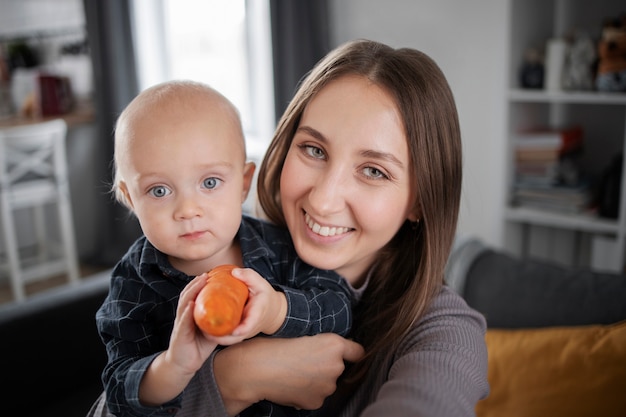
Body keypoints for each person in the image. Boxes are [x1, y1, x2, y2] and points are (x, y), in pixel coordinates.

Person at [182, 39, 490, 417]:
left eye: (374, 171)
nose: (324, 200)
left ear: (420, 202)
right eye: (314, 150)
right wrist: (237, 378)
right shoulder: (212, 262)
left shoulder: (444, 335)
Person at [92, 80, 355, 417]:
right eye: (159, 191)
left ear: (244, 183)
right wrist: (174, 366)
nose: (188, 209)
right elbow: (118, 392)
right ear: (130, 198)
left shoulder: (278, 246)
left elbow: (339, 308)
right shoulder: (134, 280)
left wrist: (276, 309)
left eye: (210, 183)